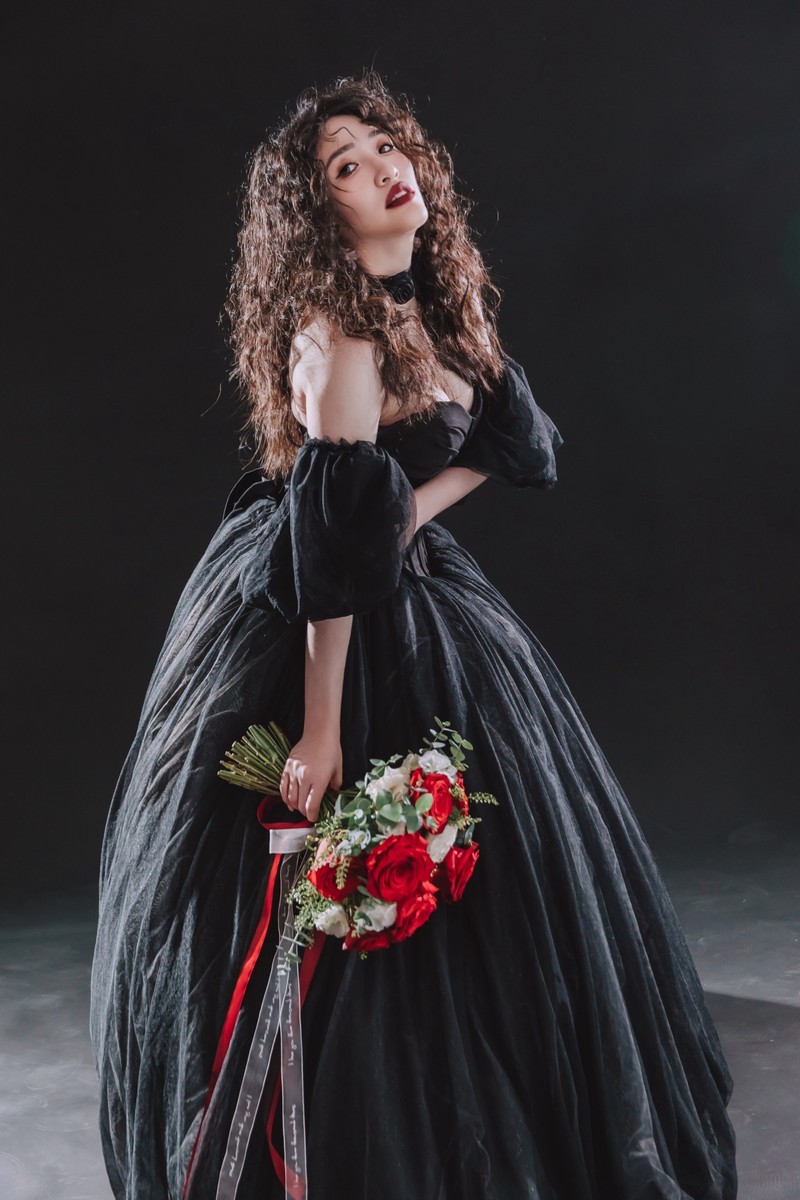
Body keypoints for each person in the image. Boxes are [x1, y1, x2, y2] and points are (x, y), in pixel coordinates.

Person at [89, 70, 738, 1200]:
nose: (382, 166)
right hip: (324, 613)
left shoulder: (434, 303)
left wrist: (410, 515)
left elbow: (504, 444)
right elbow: (333, 557)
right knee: (343, 881)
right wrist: (322, 728)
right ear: (319, 214)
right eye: (345, 166)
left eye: (382, 144)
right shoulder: (344, 341)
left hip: (399, 576)